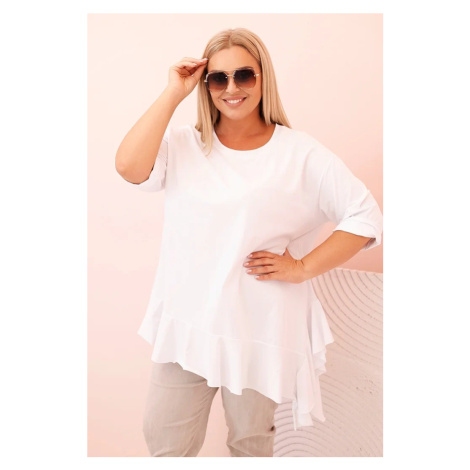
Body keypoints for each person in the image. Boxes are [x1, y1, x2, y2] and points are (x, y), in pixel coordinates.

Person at [115, 27, 383, 457]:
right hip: (189, 322)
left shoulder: (300, 153)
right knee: (166, 443)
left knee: (250, 445)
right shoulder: (184, 145)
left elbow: (365, 217)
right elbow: (128, 167)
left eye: (244, 75)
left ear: (263, 78)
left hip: (260, 326)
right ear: (206, 85)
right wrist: (173, 93)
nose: (232, 88)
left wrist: (303, 267)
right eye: (218, 78)